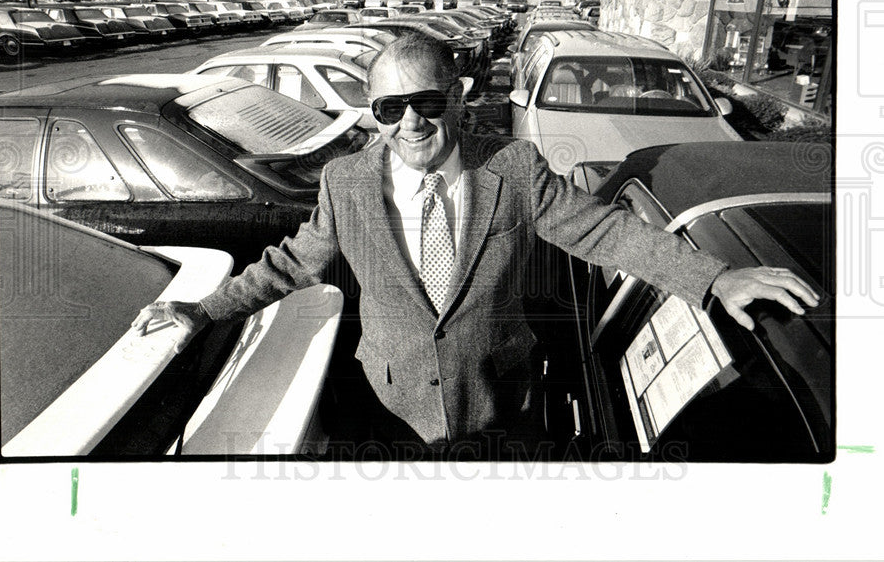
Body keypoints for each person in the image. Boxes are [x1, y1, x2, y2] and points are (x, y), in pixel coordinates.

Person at [131, 34, 819, 458]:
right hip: (390, 418)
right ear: (374, 114)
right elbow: (292, 261)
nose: (409, 123)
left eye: (425, 103)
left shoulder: (513, 169)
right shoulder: (346, 182)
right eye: (389, 109)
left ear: (456, 97)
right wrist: (205, 310)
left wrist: (714, 277)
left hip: (500, 411)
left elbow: (604, 229)